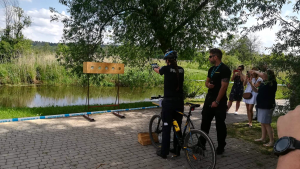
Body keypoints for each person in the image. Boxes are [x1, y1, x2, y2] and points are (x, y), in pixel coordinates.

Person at [153, 50, 184, 159]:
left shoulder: (165, 69)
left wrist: (154, 67)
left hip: (169, 102)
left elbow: (158, 70)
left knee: (166, 127)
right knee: (177, 126)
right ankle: (177, 150)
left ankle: (164, 152)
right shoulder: (181, 69)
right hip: (179, 102)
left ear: (167, 60)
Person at [200, 48, 231, 155]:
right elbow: (207, 81)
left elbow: (223, 87)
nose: (209, 58)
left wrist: (217, 102)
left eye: (210, 56)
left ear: (215, 57)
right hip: (209, 99)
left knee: (220, 124)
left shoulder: (225, 69)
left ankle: (221, 146)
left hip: (220, 101)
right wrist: (208, 85)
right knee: (205, 122)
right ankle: (201, 144)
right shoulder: (211, 69)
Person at [248, 69, 277, 147]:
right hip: (261, 104)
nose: (262, 75)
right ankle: (263, 138)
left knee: (267, 123)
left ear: (268, 75)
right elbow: (257, 91)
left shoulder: (272, 83)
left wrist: (254, 71)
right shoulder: (264, 82)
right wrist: (251, 84)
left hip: (267, 105)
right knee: (262, 122)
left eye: (264, 74)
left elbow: (262, 75)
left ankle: (271, 141)